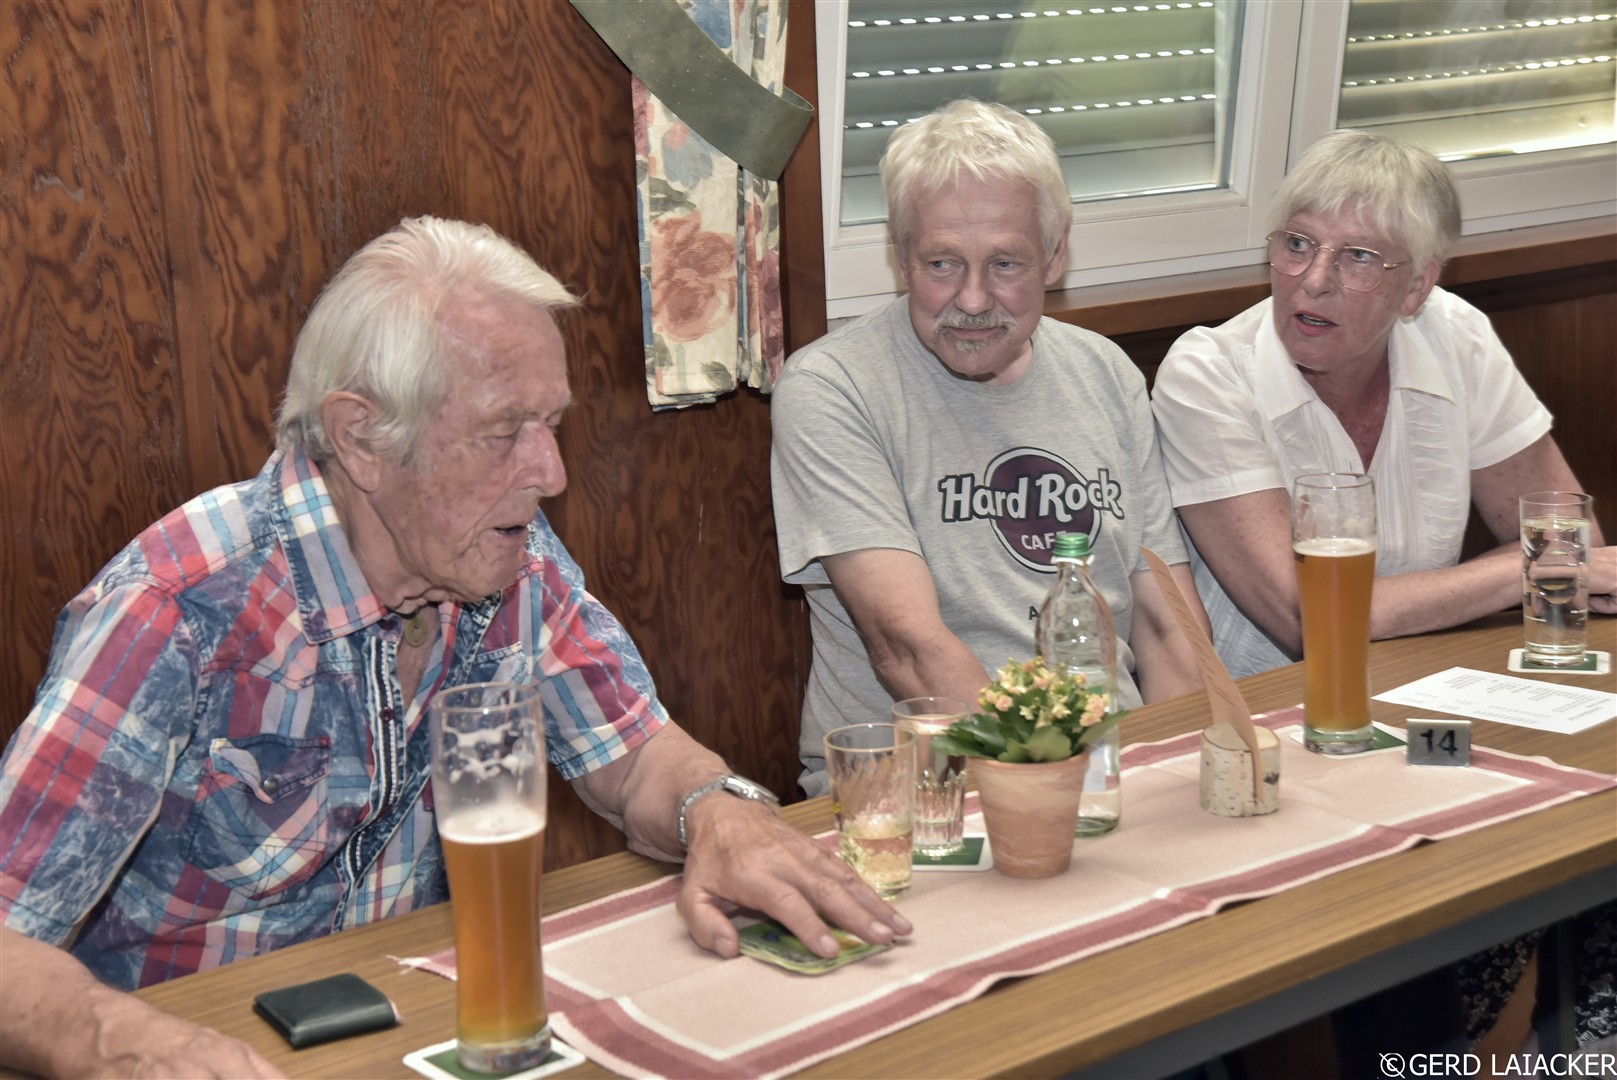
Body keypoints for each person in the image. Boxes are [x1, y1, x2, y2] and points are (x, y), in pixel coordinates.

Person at [0, 216, 910, 1078]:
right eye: (503, 432)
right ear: (361, 437)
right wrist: (114, 1041)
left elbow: (634, 758)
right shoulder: (177, 609)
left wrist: (716, 810)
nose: (549, 472)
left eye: (551, 424)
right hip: (210, 1048)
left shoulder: (504, 554)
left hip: (423, 1029)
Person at [770, 99, 1206, 797]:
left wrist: (1187, 777)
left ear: (1055, 254)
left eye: (1005, 263)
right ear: (899, 254)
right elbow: (909, 651)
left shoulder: (1106, 373)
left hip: (1110, 774)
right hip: (917, 787)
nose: (972, 300)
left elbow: (1165, 628)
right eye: (941, 263)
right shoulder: (833, 388)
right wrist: (1053, 791)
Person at [1151, 128, 1615, 680]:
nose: (1314, 281)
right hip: (1265, 701)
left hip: (1423, 676)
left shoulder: (1454, 334)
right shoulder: (1209, 373)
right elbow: (1310, 618)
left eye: (1359, 257)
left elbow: (1571, 538)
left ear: (1417, 287)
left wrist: (1542, 563)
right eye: (1297, 244)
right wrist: (1526, 569)